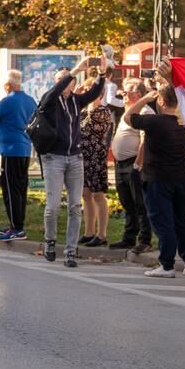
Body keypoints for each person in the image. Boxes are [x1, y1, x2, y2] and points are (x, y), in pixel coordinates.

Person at [35, 58, 107, 265]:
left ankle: (70, 250)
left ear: (74, 84)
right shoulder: (49, 99)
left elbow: (94, 93)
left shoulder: (76, 101)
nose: (63, 82)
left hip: (75, 157)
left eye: (67, 80)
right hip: (54, 158)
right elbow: (54, 91)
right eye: (59, 79)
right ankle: (50, 241)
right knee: (53, 206)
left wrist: (101, 74)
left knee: (75, 206)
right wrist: (75, 70)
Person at [125, 76, 185, 279]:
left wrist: (144, 99)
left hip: (158, 179)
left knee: (163, 222)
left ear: (161, 101)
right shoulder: (183, 122)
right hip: (182, 179)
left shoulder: (155, 122)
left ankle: (166, 265)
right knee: (182, 221)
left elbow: (128, 117)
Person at [0, 70, 36, 241]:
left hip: (10, 150)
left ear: (8, 85)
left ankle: (17, 227)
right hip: (24, 148)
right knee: (20, 189)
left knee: (10, 190)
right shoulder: (30, 100)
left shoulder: (8, 100)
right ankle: (16, 224)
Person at [109, 78, 153, 252]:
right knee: (127, 202)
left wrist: (137, 165)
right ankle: (129, 237)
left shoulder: (144, 111)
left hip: (134, 163)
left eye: (127, 92)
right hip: (121, 163)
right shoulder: (129, 110)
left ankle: (145, 240)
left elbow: (145, 141)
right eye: (123, 92)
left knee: (140, 203)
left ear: (139, 94)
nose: (123, 95)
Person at [77, 96, 115, 247]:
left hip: (96, 157)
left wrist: (90, 103)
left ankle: (102, 234)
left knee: (98, 194)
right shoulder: (82, 111)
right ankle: (89, 232)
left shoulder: (102, 111)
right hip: (83, 157)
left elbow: (93, 126)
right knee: (86, 194)